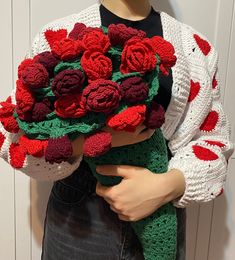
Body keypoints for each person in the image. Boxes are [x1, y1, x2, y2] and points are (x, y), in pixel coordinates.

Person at [0, 0, 234, 259]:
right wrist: (100, 140)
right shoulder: (59, 36)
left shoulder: (195, 48)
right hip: (80, 219)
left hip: (161, 212)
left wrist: (169, 185)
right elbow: (14, 136)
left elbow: (213, 140)